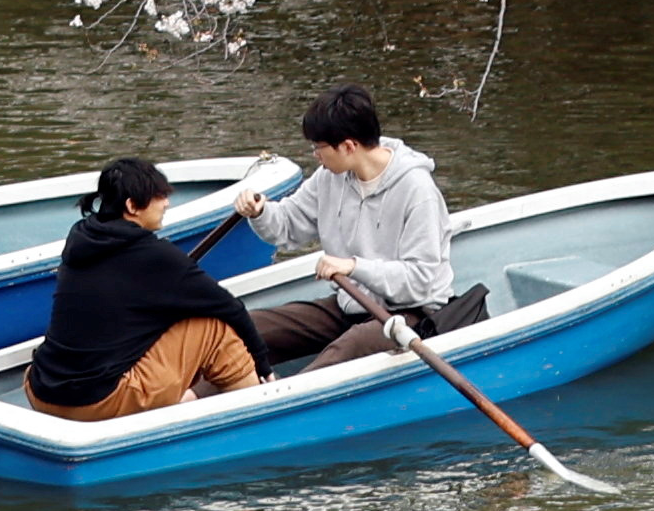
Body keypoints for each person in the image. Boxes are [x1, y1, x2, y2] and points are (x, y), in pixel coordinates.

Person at [226, 83, 469, 372]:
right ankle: (189, 399)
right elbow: (287, 228)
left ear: (348, 146)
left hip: (412, 313)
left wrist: (353, 267)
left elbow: (420, 281)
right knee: (249, 327)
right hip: (352, 303)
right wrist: (261, 211)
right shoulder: (330, 177)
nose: (315, 154)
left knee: (347, 349)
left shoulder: (418, 191)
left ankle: (280, 405)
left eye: (319, 147)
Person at [24, 156, 262, 421]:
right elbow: (231, 308)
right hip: (96, 402)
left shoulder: (81, 237)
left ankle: (182, 399)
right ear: (132, 206)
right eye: (159, 197)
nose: (167, 203)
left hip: (40, 390)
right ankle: (259, 409)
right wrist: (263, 365)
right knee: (213, 328)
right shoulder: (154, 255)